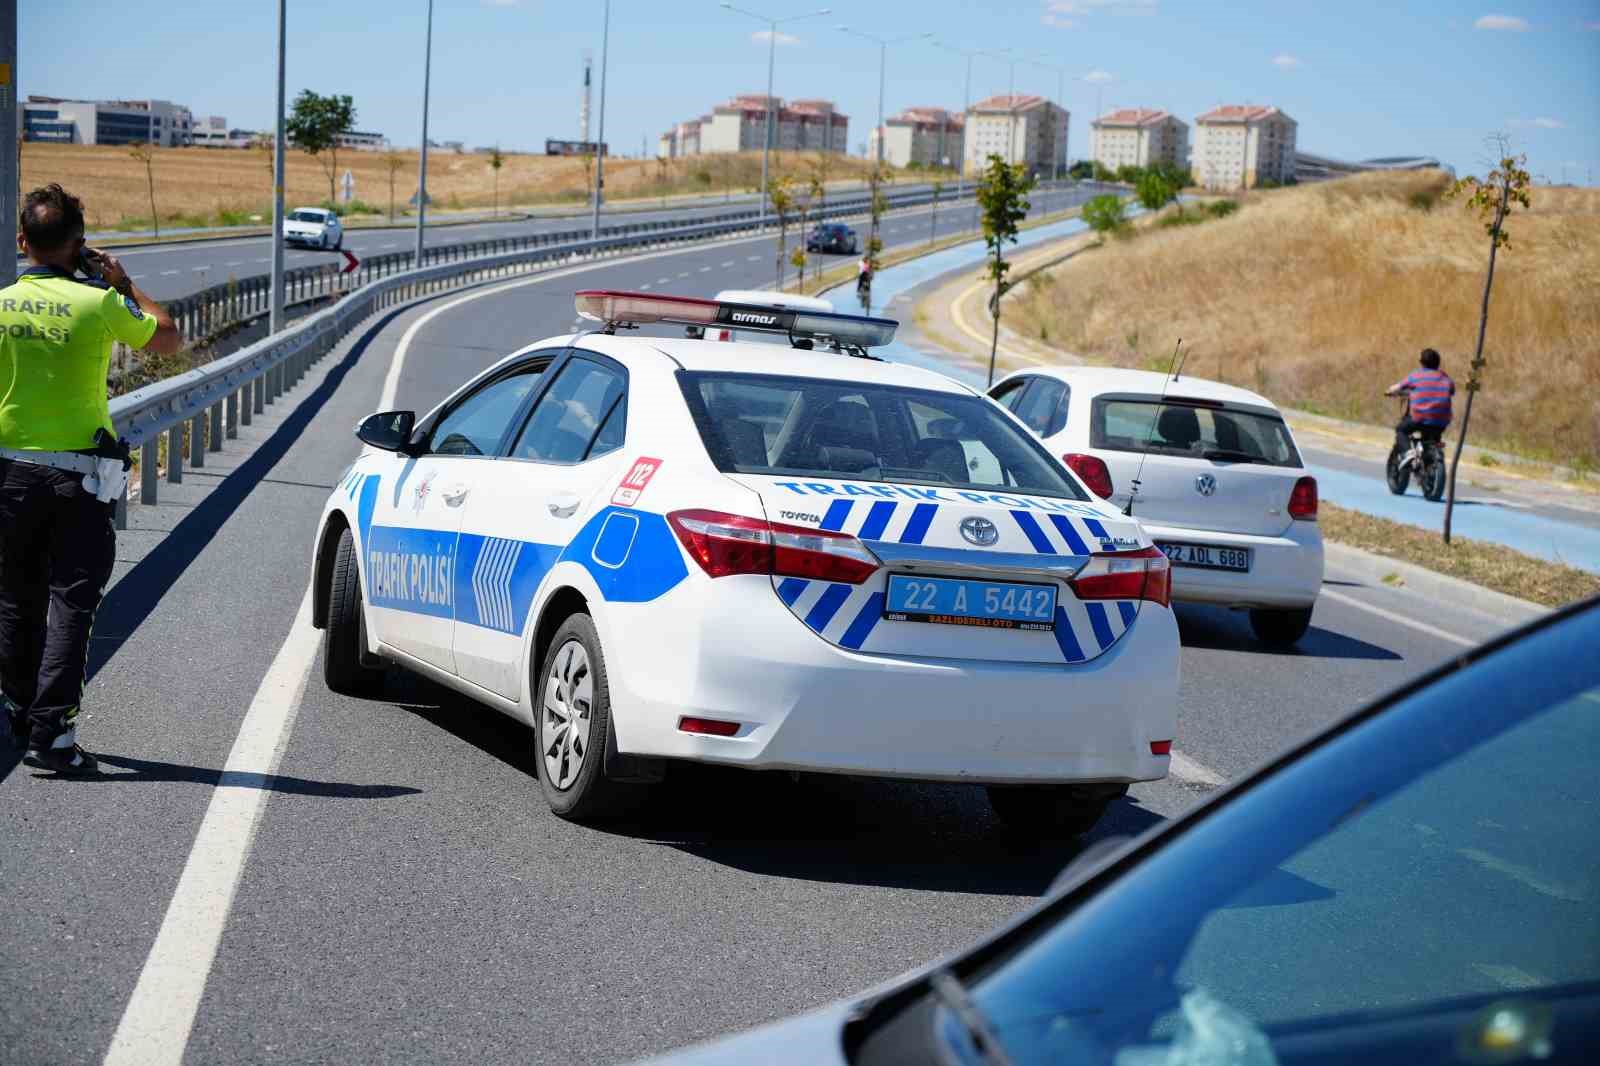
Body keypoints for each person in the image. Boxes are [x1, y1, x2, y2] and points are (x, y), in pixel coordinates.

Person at [1, 184, 180, 774]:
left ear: (23, 241)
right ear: (78, 245)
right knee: (71, 602)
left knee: (14, 600)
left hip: (9, 474)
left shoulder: (1, 304)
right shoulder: (98, 302)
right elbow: (169, 337)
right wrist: (122, 286)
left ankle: (19, 712)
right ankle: (52, 736)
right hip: (76, 477)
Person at [1385, 347, 1455, 450]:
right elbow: (1452, 391)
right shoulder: (1445, 378)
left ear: (1421, 362)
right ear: (1438, 363)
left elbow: (1398, 387)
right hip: (1442, 422)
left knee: (1401, 430)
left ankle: (1407, 452)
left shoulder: (1417, 375)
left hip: (1420, 418)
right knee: (1431, 439)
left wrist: (1389, 391)